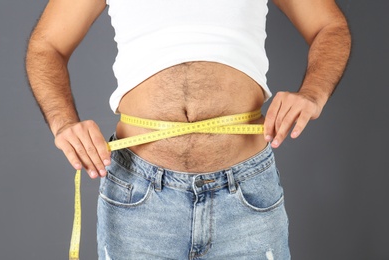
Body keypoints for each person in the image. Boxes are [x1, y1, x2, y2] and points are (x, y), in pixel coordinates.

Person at [26, 0, 351, 259]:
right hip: (138, 195)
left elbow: (329, 25)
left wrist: (312, 93)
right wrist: (63, 121)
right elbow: (48, 44)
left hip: (246, 193)